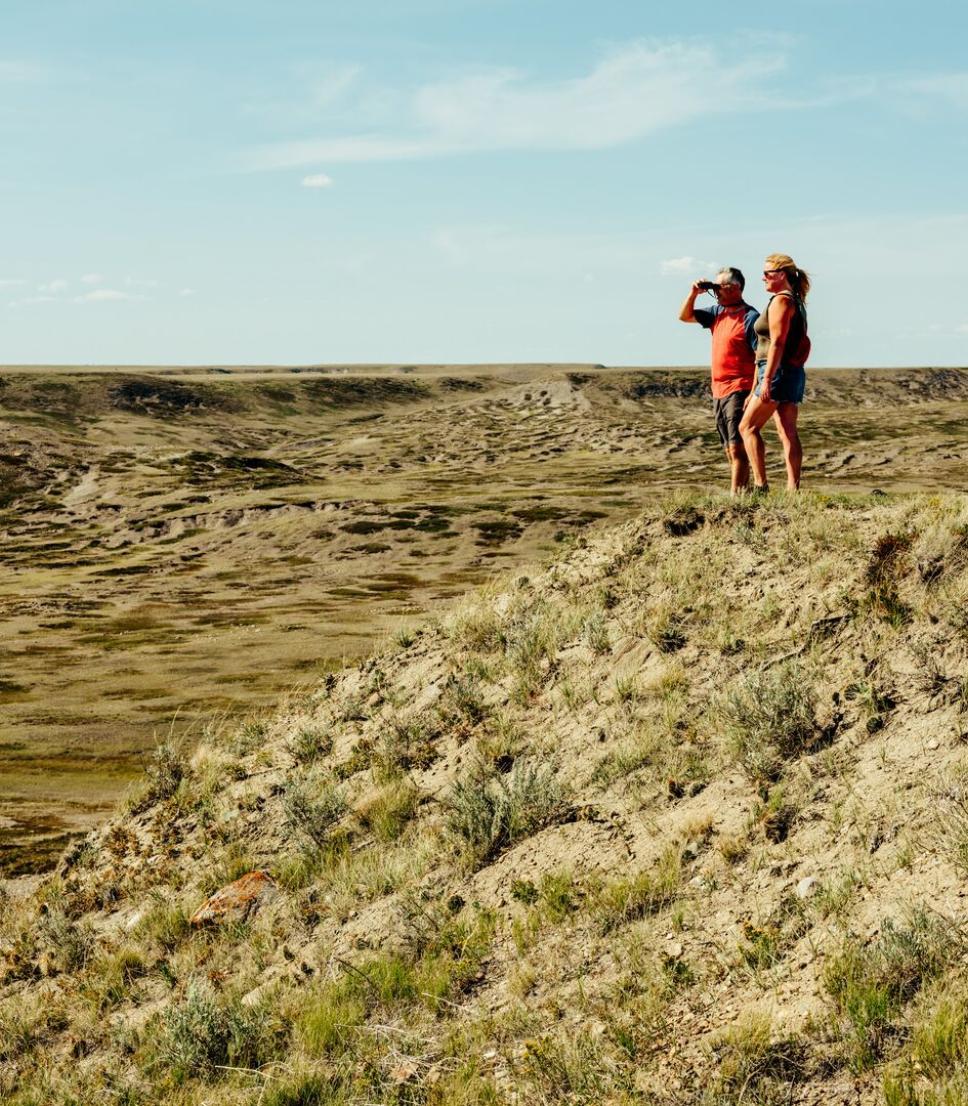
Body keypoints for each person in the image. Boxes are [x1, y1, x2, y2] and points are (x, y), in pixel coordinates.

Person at [678, 267, 759, 494]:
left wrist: (753, 392)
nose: (716, 292)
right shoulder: (717, 312)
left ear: (735, 289)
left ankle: (737, 497)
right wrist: (694, 293)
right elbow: (684, 316)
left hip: (739, 388)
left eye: (718, 287)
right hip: (719, 389)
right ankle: (743, 492)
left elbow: (760, 359)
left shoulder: (750, 318)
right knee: (728, 448)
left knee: (737, 447)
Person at [738, 254, 811, 492]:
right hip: (792, 371)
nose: (763, 278)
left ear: (782, 275)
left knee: (747, 427)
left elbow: (777, 343)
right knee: (787, 430)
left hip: (776, 371)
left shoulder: (781, 301)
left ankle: (761, 486)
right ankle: (793, 489)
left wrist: (766, 379)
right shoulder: (796, 301)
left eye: (767, 273)